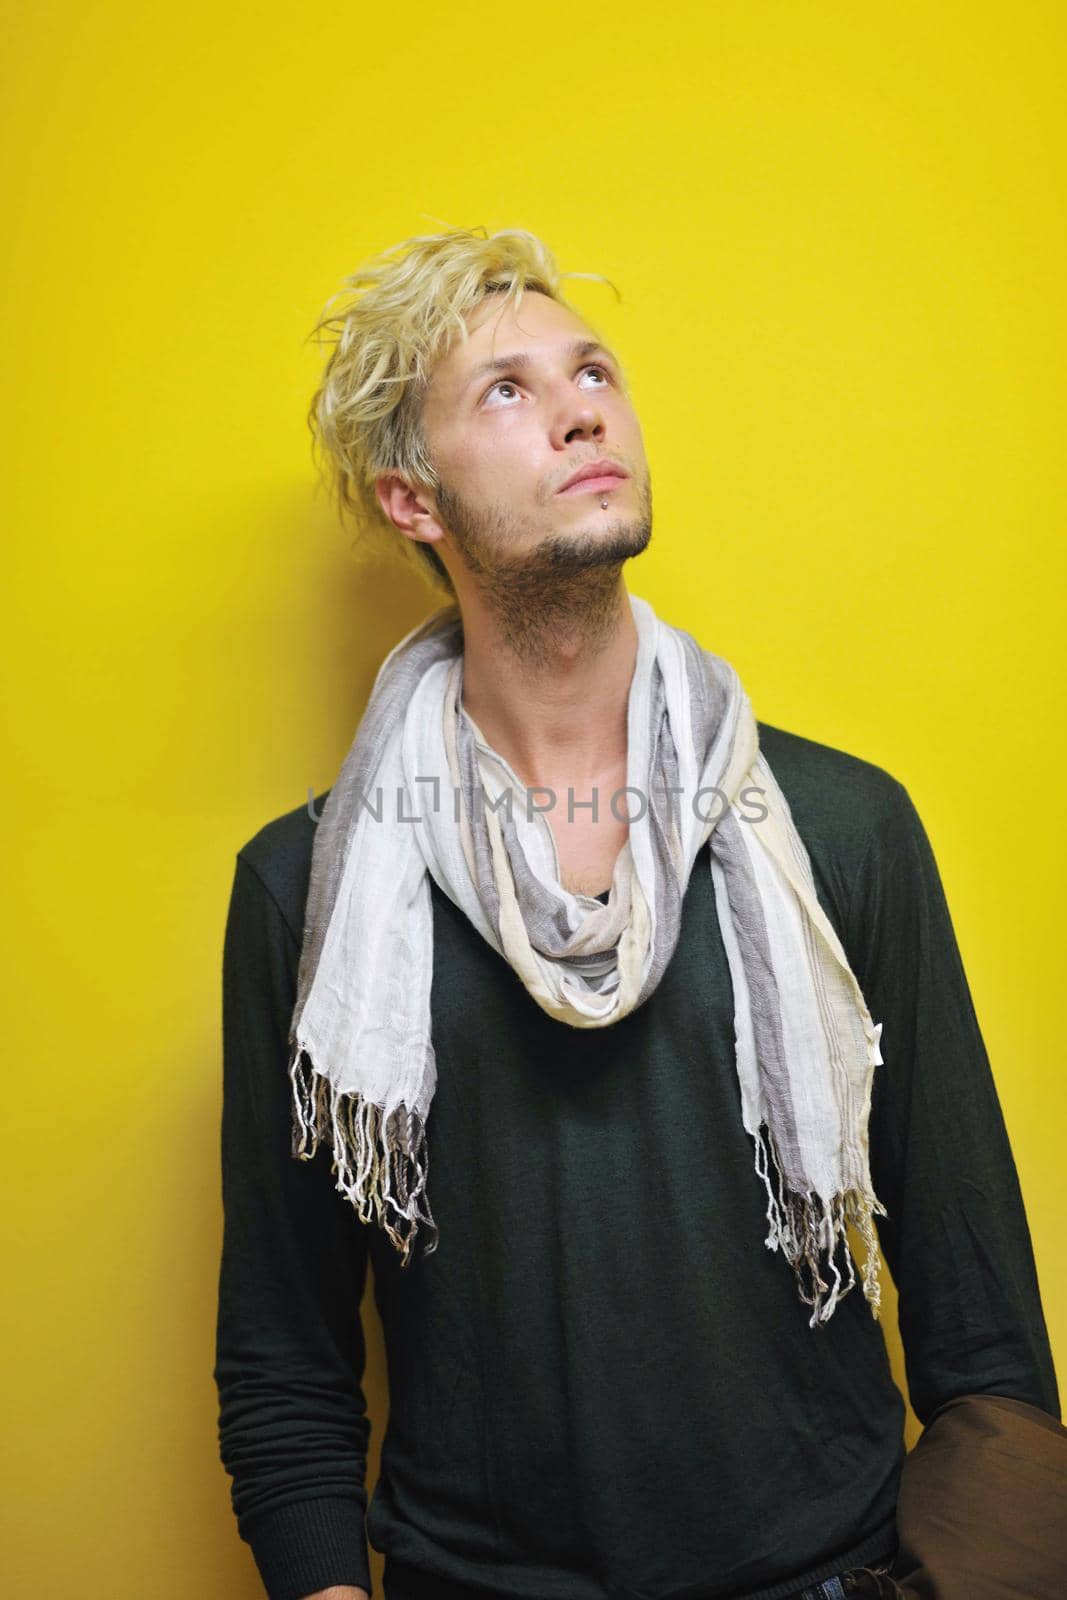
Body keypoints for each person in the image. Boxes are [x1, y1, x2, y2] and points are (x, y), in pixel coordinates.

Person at [213, 226, 1060, 1600]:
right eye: (506, 390)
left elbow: (983, 1324)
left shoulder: (843, 829)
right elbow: (286, 1353)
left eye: (593, 368)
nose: (580, 405)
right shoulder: (306, 888)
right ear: (411, 503)